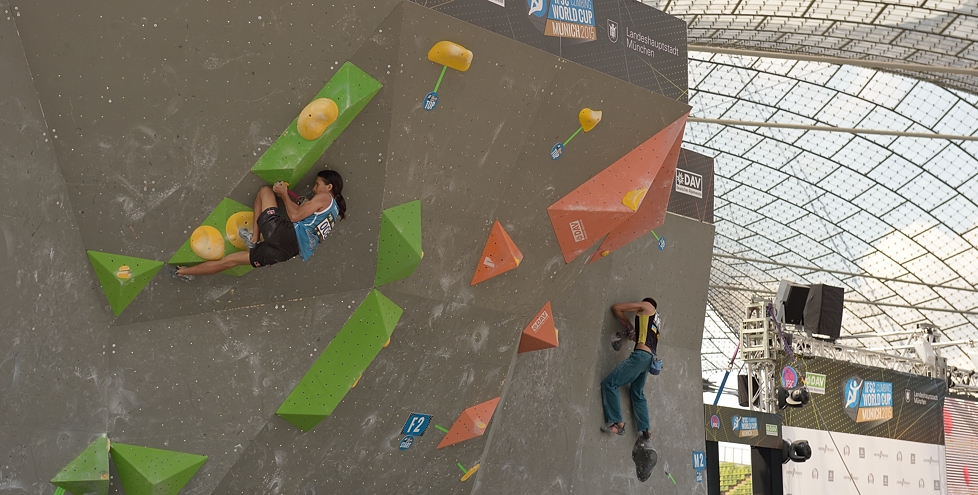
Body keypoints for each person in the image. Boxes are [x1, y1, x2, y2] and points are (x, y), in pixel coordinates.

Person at [171, 169, 346, 280]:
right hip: (288, 251)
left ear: (329, 186)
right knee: (230, 261)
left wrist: (284, 194)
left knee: (265, 191)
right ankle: (183, 272)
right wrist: (301, 204)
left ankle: (254, 239)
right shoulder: (335, 211)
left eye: (317, 184)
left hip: (283, 233)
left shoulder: (324, 197)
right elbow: (302, 218)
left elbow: (294, 216)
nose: (314, 189)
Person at [600, 297, 660, 440]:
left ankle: (618, 424)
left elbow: (617, 307)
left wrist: (629, 324)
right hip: (650, 359)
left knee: (610, 383)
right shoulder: (656, 322)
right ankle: (646, 431)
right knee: (637, 393)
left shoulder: (647, 306)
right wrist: (634, 332)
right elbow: (643, 337)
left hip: (640, 356)